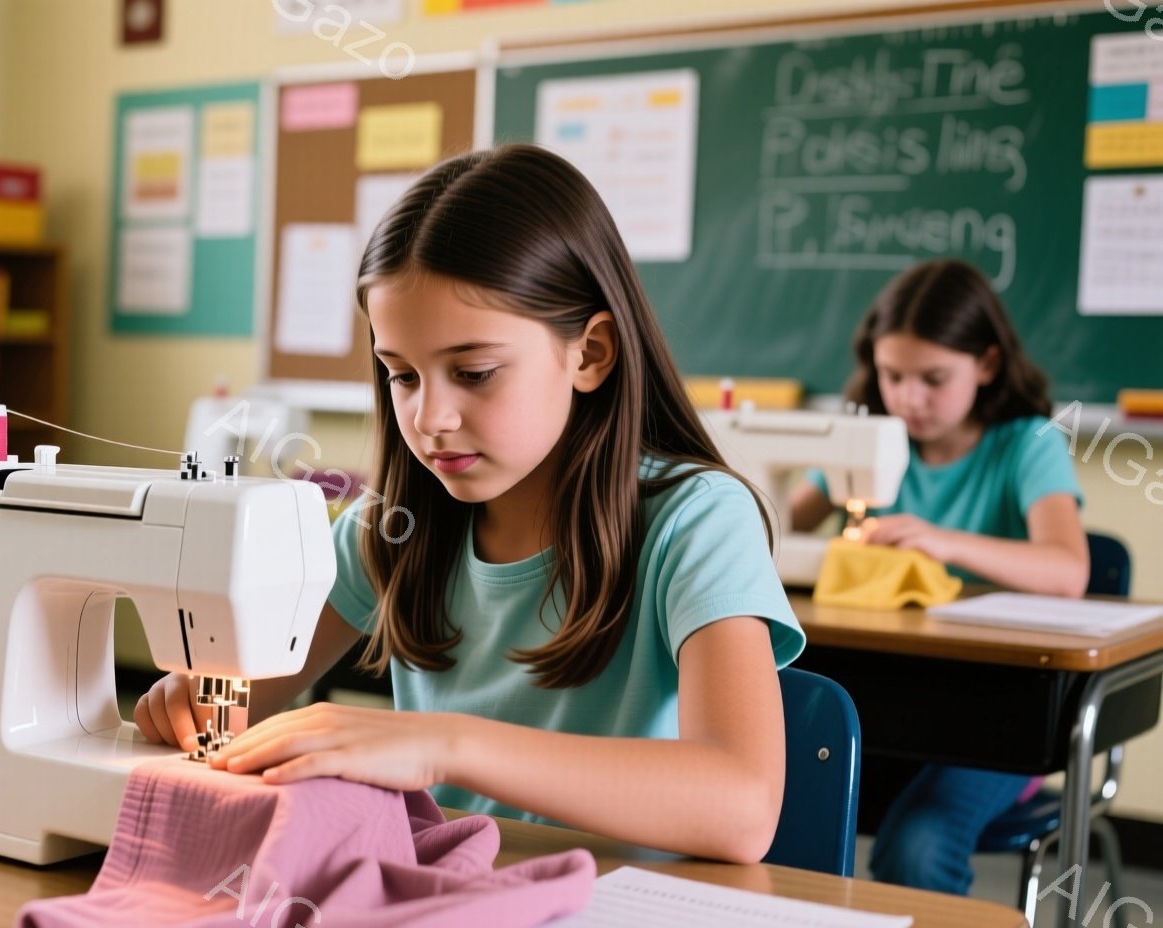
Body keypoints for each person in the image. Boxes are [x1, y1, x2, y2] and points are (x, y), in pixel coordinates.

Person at [135, 144, 806, 864]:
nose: (429, 418)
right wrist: (197, 699)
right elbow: (232, 705)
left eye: (474, 372)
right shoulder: (391, 530)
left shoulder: (697, 521)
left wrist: (444, 745)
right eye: (401, 375)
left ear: (591, 354)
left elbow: (742, 809)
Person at [788, 259, 1088, 894]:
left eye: (933, 378)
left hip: (998, 722)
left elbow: (1069, 571)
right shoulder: (866, 442)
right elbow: (779, 526)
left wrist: (940, 540)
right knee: (777, 809)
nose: (908, 398)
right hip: (884, 707)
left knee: (918, 848)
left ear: (985, 364)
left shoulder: (1026, 445)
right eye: (892, 375)